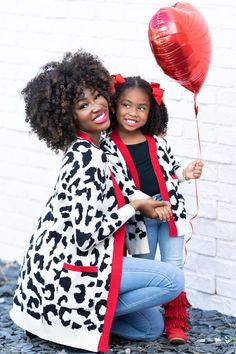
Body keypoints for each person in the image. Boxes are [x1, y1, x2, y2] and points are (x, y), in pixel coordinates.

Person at [10, 51, 185, 354]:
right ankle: (67, 321)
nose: (96, 108)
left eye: (96, 97)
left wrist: (141, 198)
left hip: (68, 269)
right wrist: (135, 208)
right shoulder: (86, 159)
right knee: (172, 280)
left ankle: (66, 321)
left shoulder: (95, 146)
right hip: (69, 270)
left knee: (149, 328)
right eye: (82, 105)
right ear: (66, 117)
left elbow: (123, 185)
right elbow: (85, 235)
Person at [101, 75, 204, 345]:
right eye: (126, 105)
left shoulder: (157, 142)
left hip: (170, 211)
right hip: (139, 219)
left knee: (174, 266)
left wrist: (185, 173)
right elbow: (122, 187)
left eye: (141, 107)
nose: (133, 113)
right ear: (114, 106)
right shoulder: (108, 146)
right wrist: (147, 205)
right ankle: (141, 317)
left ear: (151, 111)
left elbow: (169, 173)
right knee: (147, 270)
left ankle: (176, 324)